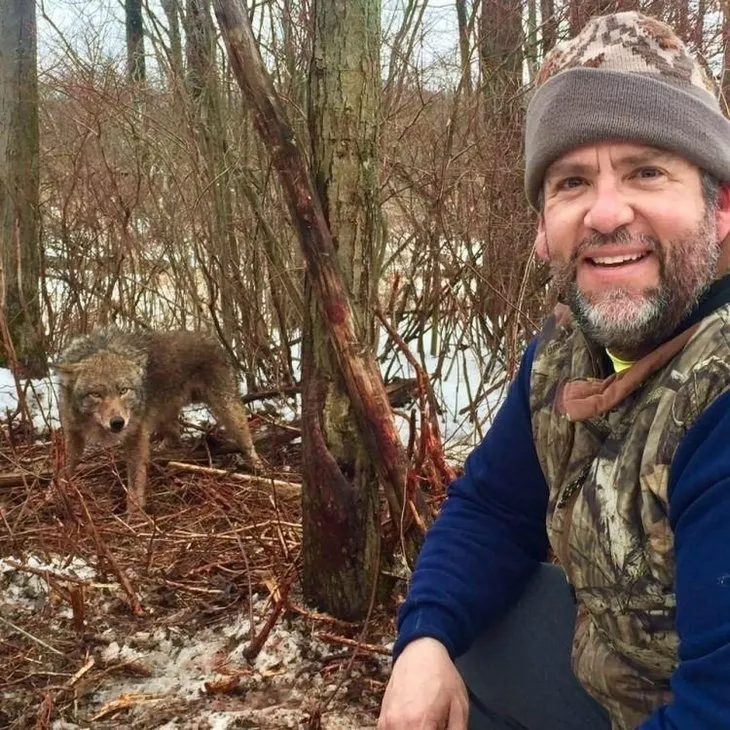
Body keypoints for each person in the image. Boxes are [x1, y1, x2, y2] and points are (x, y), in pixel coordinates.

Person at [377, 11, 730, 730]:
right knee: (475, 633)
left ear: (720, 209)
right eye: (572, 181)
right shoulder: (568, 354)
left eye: (647, 171)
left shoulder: (718, 400)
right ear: (543, 227)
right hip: (621, 682)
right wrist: (425, 638)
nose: (605, 213)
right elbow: (493, 508)